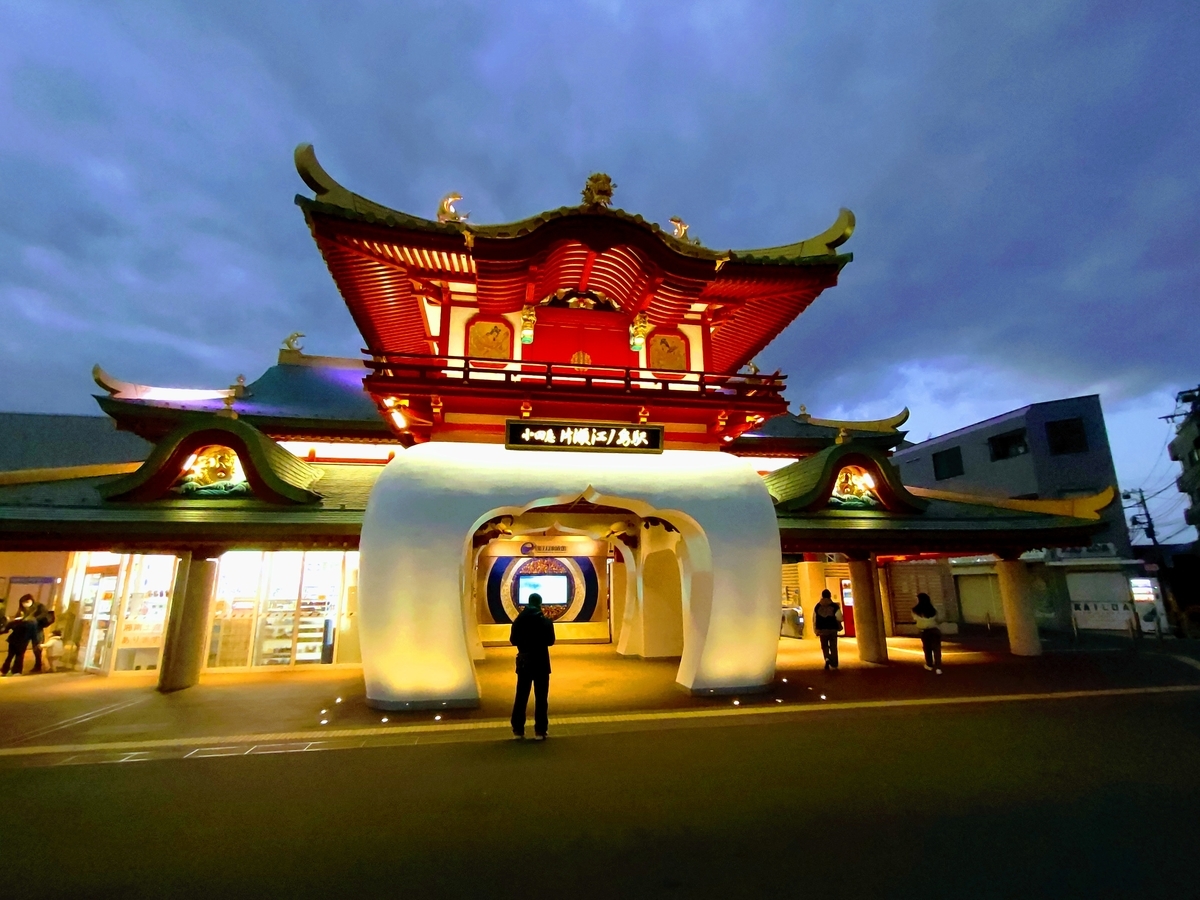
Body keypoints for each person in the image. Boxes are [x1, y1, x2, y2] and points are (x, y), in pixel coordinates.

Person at [509, 592, 556, 741]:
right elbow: (550, 641)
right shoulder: (546, 622)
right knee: (541, 698)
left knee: (521, 696)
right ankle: (540, 731)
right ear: (540, 604)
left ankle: (518, 729)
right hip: (541, 662)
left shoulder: (518, 621)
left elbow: (513, 640)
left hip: (524, 662)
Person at [2, 595, 37, 677]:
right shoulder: (22, 616)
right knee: (11, 655)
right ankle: (6, 670)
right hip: (15, 639)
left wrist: (35, 642)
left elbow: (33, 632)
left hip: (22, 640)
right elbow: (10, 626)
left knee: (19, 655)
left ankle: (16, 671)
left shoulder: (32, 619)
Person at [813, 589, 843, 670]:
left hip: (822, 629)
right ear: (830, 595)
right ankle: (834, 663)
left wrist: (815, 629)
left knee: (824, 646)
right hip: (833, 629)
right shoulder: (834, 606)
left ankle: (827, 658)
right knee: (833, 646)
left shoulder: (817, 606)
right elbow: (839, 617)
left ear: (822, 596)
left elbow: (814, 619)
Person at [913, 592, 942, 674]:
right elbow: (939, 619)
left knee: (927, 648)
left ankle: (929, 665)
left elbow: (915, 619)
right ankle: (938, 668)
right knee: (937, 649)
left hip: (924, 631)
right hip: (935, 630)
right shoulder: (934, 609)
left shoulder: (915, 610)